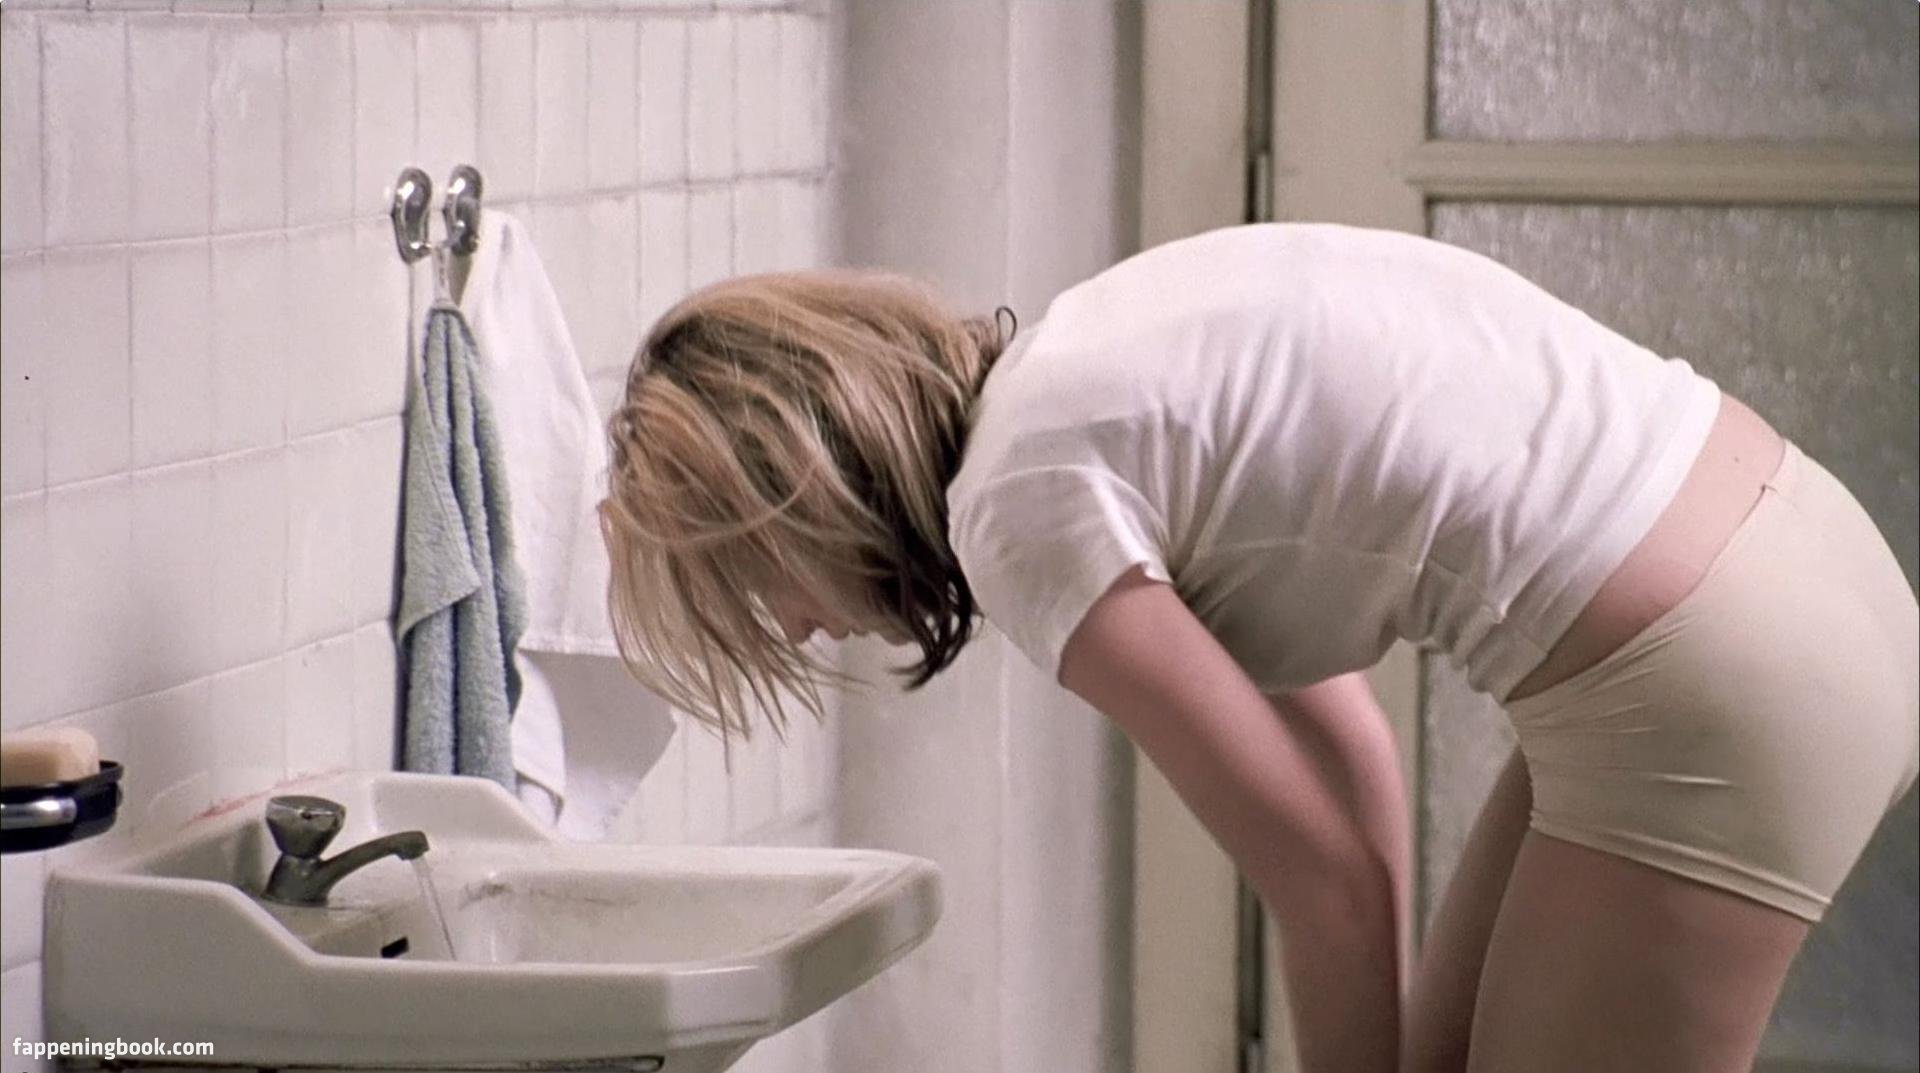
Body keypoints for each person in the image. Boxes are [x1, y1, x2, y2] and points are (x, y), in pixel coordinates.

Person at [596, 221, 1919, 1073]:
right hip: (1795, 555)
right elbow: (1355, 776)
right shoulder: (1104, 366)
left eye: (753, 581)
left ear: (802, 490)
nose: (798, 624)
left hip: (1702, 673)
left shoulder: (1018, 507)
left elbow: (1325, 879)